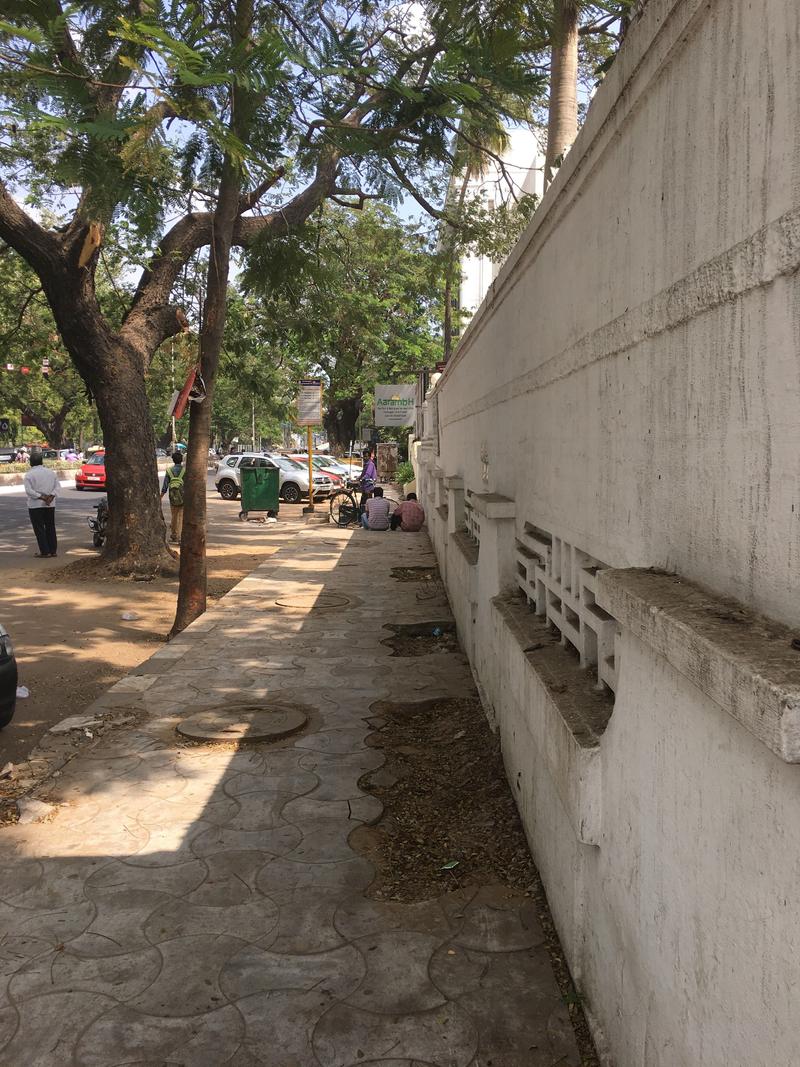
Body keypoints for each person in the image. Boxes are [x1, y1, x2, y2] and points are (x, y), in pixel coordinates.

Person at [23, 451, 59, 557]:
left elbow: (29, 491)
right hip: (50, 504)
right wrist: (50, 497)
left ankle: (45, 551)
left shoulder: (29, 475)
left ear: (30, 463)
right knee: (50, 526)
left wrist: (42, 497)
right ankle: (53, 550)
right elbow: (57, 487)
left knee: (39, 529)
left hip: (35, 505)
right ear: (41, 461)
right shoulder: (51, 473)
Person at [161, 450, 186, 544]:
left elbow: (165, 486)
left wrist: (161, 496)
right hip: (182, 496)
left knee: (174, 515)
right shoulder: (184, 471)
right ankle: (179, 536)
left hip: (173, 496)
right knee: (181, 515)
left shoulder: (169, 471)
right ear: (181, 460)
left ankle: (174, 535)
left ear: (173, 460)